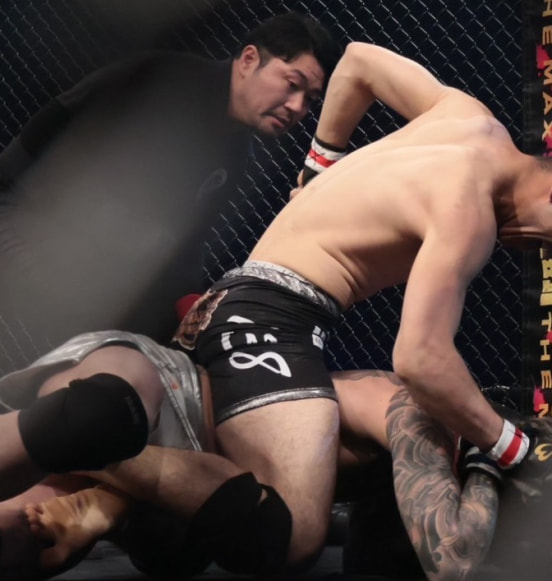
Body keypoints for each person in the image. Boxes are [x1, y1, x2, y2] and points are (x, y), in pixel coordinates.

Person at [167, 40, 552, 578]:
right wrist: (515, 448)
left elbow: (359, 63)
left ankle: (148, 449)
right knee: (296, 536)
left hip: (259, 312)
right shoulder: (469, 213)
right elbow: (420, 359)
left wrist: (320, 165)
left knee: (386, 429)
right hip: (265, 323)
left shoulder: (469, 118)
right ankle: (111, 449)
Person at [0, 332, 552, 581]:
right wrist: (486, 456)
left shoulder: (399, 491)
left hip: (189, 486)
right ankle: (108, 473)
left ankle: (114, 496)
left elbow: (367, 557)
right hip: (163, 401)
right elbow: (452, 558)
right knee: (96, 424)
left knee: (25, 545)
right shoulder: (406, 407)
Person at [0, 12, 341, 374]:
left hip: (93, 265)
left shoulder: (236, 153)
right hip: (26, 225)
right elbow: (43, 130)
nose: (297, 107)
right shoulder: (161, 79)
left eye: (310, 99)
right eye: (292, 84)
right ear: (248, 60)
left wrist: (194, 309)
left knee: (174, 353)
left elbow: (184, 248)